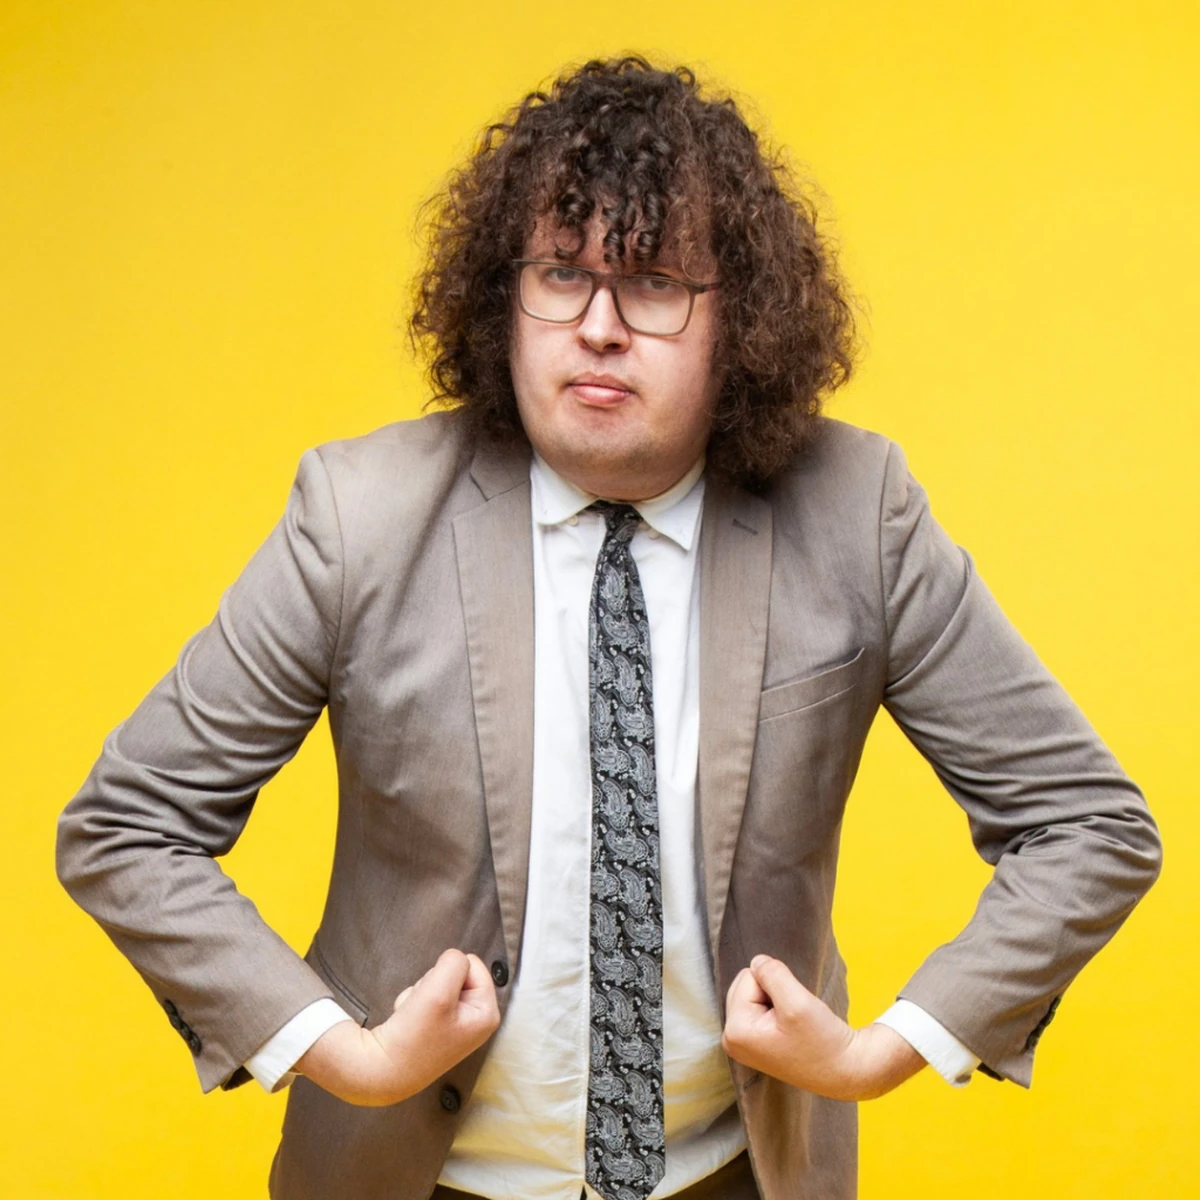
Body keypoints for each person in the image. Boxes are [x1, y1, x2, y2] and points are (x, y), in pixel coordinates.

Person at [56, 56, 1161, 1200]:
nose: (597, 327)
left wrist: (879, 1055)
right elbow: (129, 825)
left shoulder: (857, 514)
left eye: (653, 284)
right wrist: (346, 1055)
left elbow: (1087, 823)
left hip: (735, 1176)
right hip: (409, 1177)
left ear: (742, 318)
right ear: (504, 294)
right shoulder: (359, 516)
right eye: (561, 273)